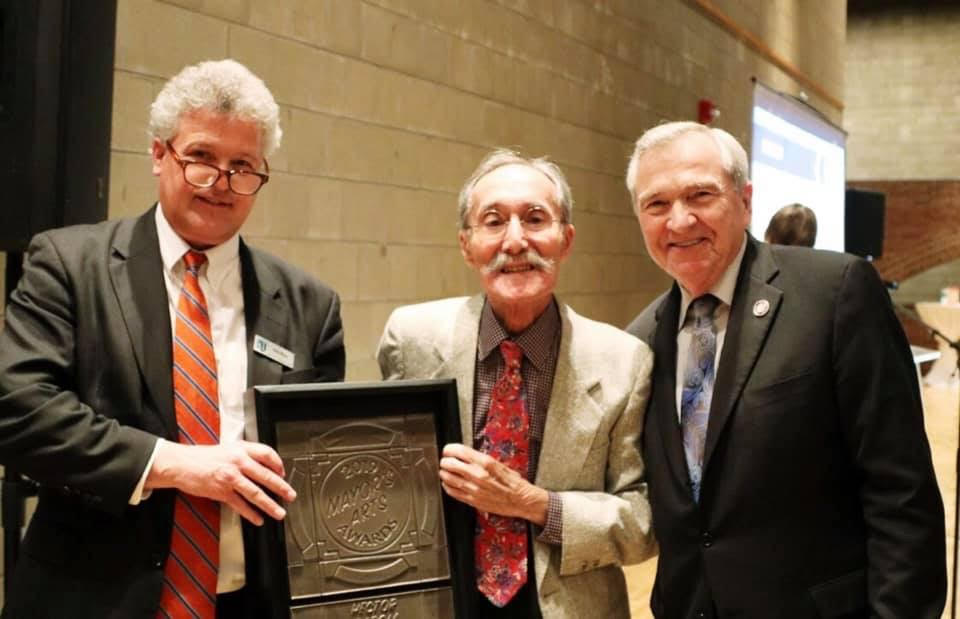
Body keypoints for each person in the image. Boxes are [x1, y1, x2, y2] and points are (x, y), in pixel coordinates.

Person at [0, 59, 345, 618]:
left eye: (243, 166)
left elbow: (318, 461)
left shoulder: (311, 304)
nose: (221, 184)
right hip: (90, 601)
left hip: (246, 605)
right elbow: (17, 410)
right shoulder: (69, 263)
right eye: (202, 158)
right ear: (160, 154)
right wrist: (180, 466)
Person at [624, 121, 946, 618]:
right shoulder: (640, 341)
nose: (680, 221)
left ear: (745, 200)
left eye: (700, 195)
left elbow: (901, 495)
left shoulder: (835, 294)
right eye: (657, 204)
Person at [377, 149, 655, 618]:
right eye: (492, 221)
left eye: (534, 219)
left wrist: (535, 504)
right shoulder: (412, 340)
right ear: (466, 245)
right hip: (443, 602)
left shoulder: (623, 362)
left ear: (565, 240)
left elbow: (643, 520)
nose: (514, 241)